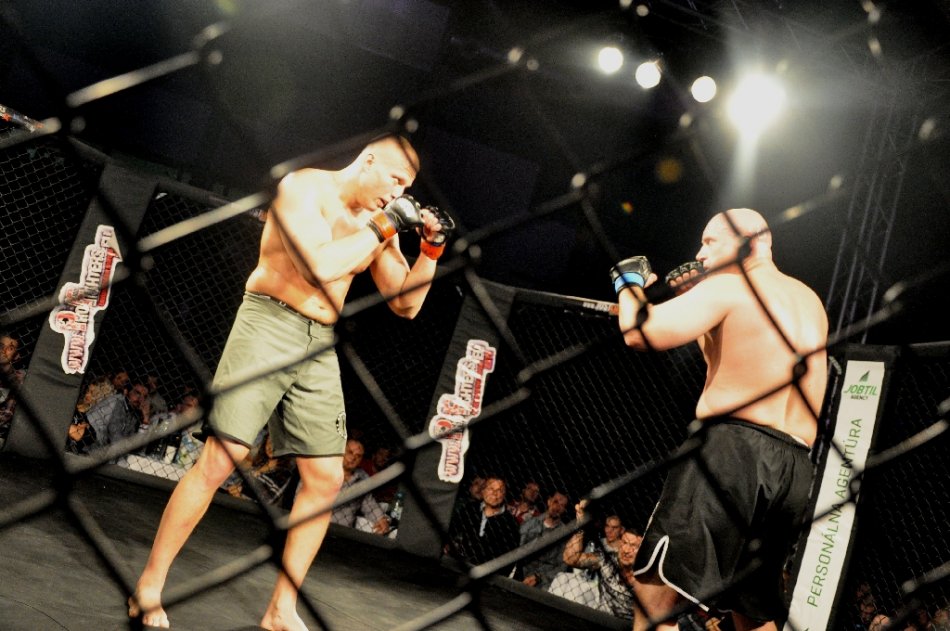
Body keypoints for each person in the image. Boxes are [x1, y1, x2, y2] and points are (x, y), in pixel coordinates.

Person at [131, 134, 450, 631]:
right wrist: (384, 225)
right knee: (222, 459)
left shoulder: (378, 222)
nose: (398, 194)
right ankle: (149, 587)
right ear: (368, 160)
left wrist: (431, 249)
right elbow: (317, 266)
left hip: (319, 341)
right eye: (395, 181)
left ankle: (281, 610)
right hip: (268, 322)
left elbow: (407, 304)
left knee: (326, 479)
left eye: (406, 188)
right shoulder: (303, 189)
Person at [612, 208, 828, 631]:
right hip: (793, 469)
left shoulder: (732, 285)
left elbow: (639, 331)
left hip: (730, 456)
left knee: (655, 596)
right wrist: (703, 314)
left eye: (711, 241)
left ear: (748, 242)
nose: (700, 253)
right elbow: (735, 362)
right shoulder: (808, 300)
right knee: (754, 610)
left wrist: (628, 283)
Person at [560, 500, 643, 619]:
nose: (626, 550)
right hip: (600, 618)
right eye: (625, 543)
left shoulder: (647, 575)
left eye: (634, 546)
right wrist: (580, 527)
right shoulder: (607, 559)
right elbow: (570, 559)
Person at [447, 476, 521, 574]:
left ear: (504, 495)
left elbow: (509, 558)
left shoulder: (510, 523)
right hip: (459, 565)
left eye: (500, 490)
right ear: (483, 491)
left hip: (488, 572)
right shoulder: (469, 509)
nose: (495, 493)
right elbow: (451, 529)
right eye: (491, 488)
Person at [331, 438, 390, 534]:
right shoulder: (323, 469)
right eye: (350, 452)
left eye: (358, 456)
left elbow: (369, 503)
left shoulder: (362, 477)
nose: (353, 458)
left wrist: (381, 518)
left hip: (343, 532)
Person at [518, 490, 570, 590]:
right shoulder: (530, 523)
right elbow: (518, 550)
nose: (557, 507)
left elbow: (561, 566)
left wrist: (539, 577)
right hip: (521, 572)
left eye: (562, 505)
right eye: (555, 502)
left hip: (543, 582)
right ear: (549, 501)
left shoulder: (564, 534)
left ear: (564, 510)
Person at [0, 332, 26, 448]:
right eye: (1, 346)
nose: (3, 350)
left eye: (10, 348)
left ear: (16, 356)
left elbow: (6, 415)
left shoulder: (20, 378)